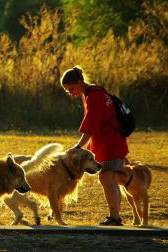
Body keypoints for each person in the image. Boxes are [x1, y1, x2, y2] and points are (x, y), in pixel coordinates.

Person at [60, 66, 129, 226]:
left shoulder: (94, 96)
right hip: (111, 142)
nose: (70, 92)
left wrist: (77, 147)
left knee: (106, 177)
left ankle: (115, 217)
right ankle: (115, 215)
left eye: (71, 88)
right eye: (66, 91)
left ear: (79, 82)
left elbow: (91, 126)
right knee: (110, 178)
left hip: (110, 143)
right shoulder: (91, 92)